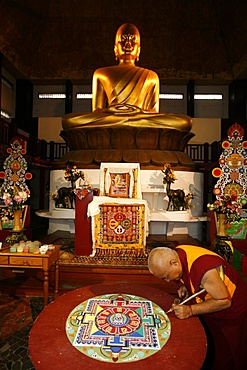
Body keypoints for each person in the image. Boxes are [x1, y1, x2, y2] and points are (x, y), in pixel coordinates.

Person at [62, 23, 192, 131]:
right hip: (113, 117)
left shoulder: (151, 76)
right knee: (68, 120)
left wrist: (139, 112)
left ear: (139, 50)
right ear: (115, 49)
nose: (128, 44)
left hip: (139, 118)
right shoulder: (101, 73)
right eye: (123, 39)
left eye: (133, 40)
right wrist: (112, 110)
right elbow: (97, 111)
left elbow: (154, 112)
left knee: (184, 122)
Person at [148, 245, 247, 370]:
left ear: (173, 263)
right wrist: (186, 286)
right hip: (213, 309)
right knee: (221, 349)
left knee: (238, 351)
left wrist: (190, 310)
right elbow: (191, 275)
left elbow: (224, 301)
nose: (168, 281)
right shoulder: (179, 252)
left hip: (233, 312)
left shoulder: (203, 268)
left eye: (166, 276)